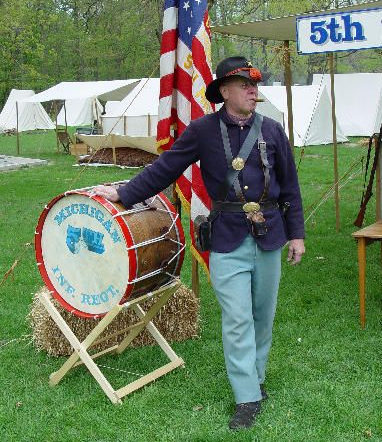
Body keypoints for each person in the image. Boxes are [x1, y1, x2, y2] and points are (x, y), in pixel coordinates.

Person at [94, 56, 305, 430]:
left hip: (270, 234)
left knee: (262, 317)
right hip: (226, 237)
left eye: (255, 84)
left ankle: (255, 378)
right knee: (238, 319)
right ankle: (247, 396)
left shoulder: (272, 130)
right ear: (224, 91)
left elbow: (290, 187)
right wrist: (123, 192)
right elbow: (165, 168)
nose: (253, 90)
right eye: (244, 84)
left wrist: (297, 234)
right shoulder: (203, 130)